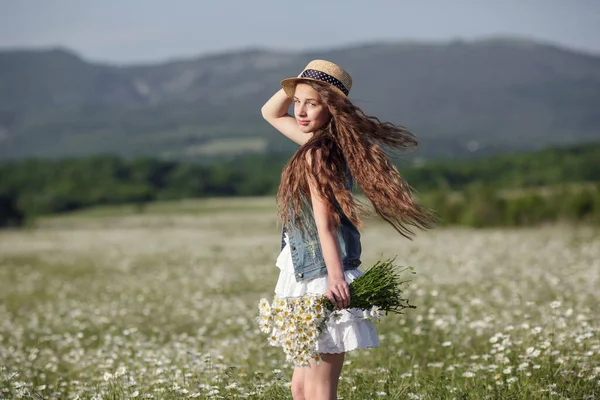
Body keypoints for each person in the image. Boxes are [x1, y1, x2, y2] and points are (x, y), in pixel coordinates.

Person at [260, 60, 436, 400]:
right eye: (298, 101)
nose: (301, 110)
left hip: (323, 272)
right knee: (300, 386)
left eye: (312, 103)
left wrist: (337, 278)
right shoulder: (316, 141)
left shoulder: (320, 154)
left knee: (319, 386)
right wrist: (303, 82)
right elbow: (270, 111)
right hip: (304, 269)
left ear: (332, 107)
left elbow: (326, 224)